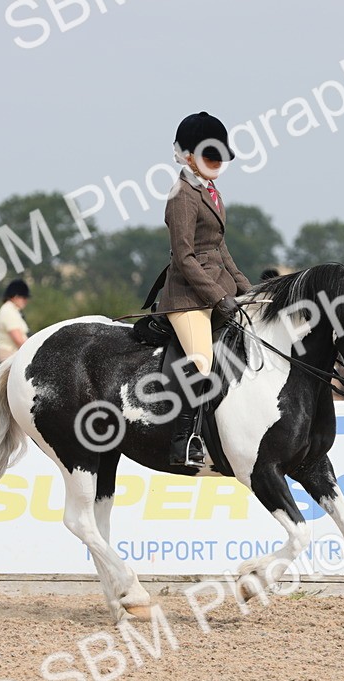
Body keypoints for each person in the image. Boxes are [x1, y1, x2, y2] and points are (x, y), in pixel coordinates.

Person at [142, 111, 252, 467]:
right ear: (187, 156)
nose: (217, 163)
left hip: (215, 289)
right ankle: (184, 440)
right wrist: (218, 297)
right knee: (203, 363)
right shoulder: (182, 196)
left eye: (220, 156)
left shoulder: (211, 192)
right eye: (209, 155)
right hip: (188, 298)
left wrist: (247, 291)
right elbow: (185, 257)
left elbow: (220, 248)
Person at [0, 279, 30, 364]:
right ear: (15, 297)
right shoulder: (8, 312)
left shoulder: (14, 311)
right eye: (24, 297)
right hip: (8, 355)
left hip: (15, 353)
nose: (26, 301)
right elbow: (18, 341)